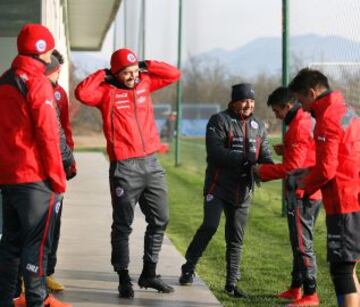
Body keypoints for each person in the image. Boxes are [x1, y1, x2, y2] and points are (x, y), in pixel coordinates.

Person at [75, 48, 181, 299]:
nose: (133, 76)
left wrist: (143, 64)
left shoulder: (145, 83)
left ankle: (149, 273)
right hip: (124, 167)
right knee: (123, 225)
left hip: (152, 163)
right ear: (116, 73)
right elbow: (82, 93)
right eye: (127, 72)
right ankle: (123, 277)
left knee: (160, 219)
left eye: (135, 72)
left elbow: (174, 74)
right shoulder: (105, 92)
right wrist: (105, 73)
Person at [179, 83, 273, 297]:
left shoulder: (259, 125)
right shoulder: (218, 121)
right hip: (218, 186)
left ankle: (231, 284)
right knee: (210, 226)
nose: (248, 104)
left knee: (236, 237)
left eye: (252, 101)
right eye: (244, 100)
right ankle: (189, 267)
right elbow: (216, 152)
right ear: (233, 101)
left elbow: (265, 156)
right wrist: (247, 161)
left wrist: (270, 169)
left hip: (243, 190)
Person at [0, 24, 71, 307]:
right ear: (43, 51)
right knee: (36, 248)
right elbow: (47, 135)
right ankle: (36, 302)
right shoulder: (37, 82)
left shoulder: (5, 80)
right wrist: (58, 178)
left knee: (10, 246)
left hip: (9, 178)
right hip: (35, 180)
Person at [289, 68, 360, 307]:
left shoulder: (327, 118)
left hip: (344, 202)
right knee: (349, 268)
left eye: (301, 101)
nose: (303, 108)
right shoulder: (347, 110)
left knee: (341, 270)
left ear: (311, 92)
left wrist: (305, 184)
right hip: (355, 194)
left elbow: (328, 169)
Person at [254, 87, 322, 305]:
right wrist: (287, 148)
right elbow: (308, 151)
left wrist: (261, 171)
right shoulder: (303, 120)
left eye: (276, 111)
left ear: (287, 106)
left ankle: (311, 294)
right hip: (309, 190)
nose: (276, 116)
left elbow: (291, 168)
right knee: (298, 242)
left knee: (302, 243)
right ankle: (295, 288)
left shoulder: (298, 126)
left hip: (301, 193)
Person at [44, 50, 77, 291]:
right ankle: (24, 277)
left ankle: (46, 272)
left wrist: (70, 160)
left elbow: (64, 128)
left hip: (58, 166)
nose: (58, 73)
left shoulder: (60, 94)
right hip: (36, 171)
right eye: (56, 69)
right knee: (35, 225)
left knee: (55, 222)